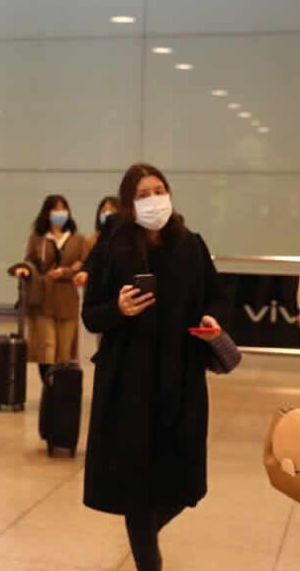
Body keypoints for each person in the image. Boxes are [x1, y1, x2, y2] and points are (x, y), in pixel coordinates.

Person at [81, 163, 224, 571]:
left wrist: (213, 320)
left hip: (181, 381)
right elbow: (92, 315)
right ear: (129, 204)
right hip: (129, 385)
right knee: (135, 489)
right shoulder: (112, 248)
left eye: (159, 190)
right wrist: (118, 308)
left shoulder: (191, 246)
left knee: (182, 484)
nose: (153, 200)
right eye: (143, 194)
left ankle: (145, 533)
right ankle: (147, 557)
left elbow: (216, 297)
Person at [15, 195, 88, 383]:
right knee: (47, 347)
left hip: (68, 300)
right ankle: (48, 385)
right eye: (55, 209)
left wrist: (67, 271)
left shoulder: (78, 239)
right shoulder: (38, 239)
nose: (60, 213)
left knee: (64, 350)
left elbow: (84, 265)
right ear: (47, 213)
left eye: (63, 209)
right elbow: (29, 260)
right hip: (43, 298)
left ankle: (61, 389)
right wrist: (24, 268)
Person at [74, 196, 120, 287]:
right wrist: (85, 272)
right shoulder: (93, 239)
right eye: (103, 210)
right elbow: (90, 262)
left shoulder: (124, 236)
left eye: (111, 210)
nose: (107, 213)